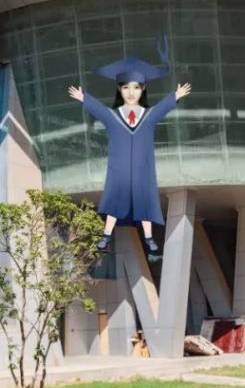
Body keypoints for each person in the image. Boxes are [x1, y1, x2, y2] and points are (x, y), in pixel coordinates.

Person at [68, 57, 191, 255]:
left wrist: (175, 95)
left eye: (136, 87)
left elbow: (162, 108)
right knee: (114, 201)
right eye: (126, 87)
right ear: (119, 89)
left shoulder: (149, 116)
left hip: (143, 170)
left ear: (143, 89)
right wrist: (84, 98)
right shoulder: (113, 117)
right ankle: (106, 235)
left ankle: (149, 238)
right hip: (119, 170)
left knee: (145, 201)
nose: (131, 92)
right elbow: (99, 111)